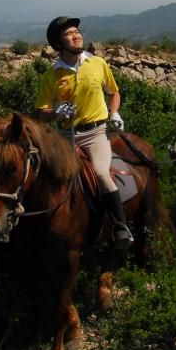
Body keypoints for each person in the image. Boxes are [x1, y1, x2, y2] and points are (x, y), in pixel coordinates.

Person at [35, 16, 132, 248]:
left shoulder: (97, 63)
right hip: (65, 136)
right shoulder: (51, 76)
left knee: (100, 174)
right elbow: (41, 112)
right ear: (59, 44)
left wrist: (115, 112)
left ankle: (121, 226)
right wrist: (56, 111)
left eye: (77, 31)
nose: (76, 35)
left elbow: (114, 92)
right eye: (69, 34)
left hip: (95, 133)